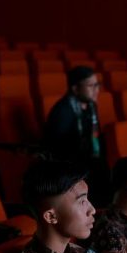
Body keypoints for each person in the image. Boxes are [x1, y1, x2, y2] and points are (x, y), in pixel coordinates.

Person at [43, 66, 110, 204]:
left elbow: (95, 137)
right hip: (71, 164)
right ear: (75, 88)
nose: (96, 90)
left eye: (97, 85)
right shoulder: (62, 111)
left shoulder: (91, 106)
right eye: (91, 86)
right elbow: (60, 149)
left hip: (89, 158)